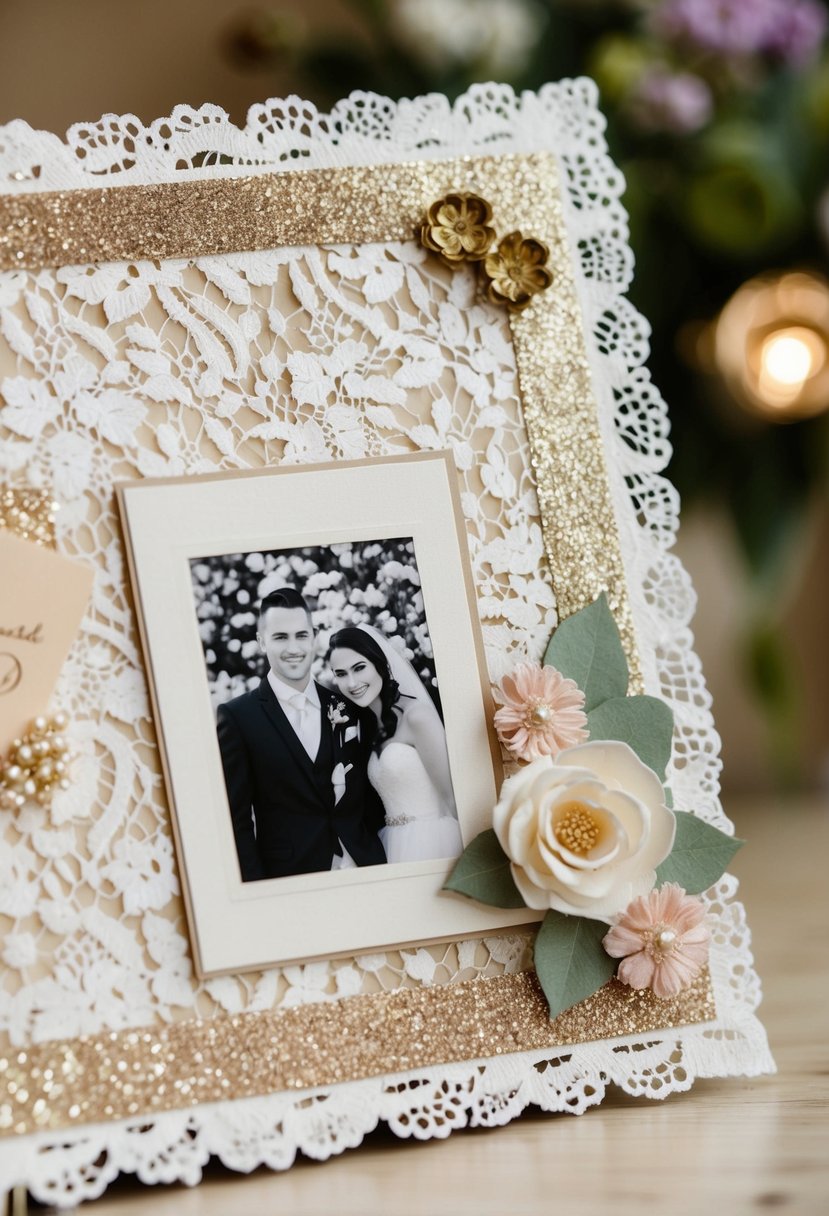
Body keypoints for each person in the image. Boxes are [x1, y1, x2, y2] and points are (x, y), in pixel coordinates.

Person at [216, 588, 386, 881]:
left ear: (314, 637)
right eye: (280, 637)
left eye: (301, 635)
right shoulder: (237, 718)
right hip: (291, 880)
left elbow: (369, 801)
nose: (293, 647)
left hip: (367, 868)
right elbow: (236, 822)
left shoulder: (349, 706)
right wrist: (257, 891)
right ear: (261, 641)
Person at [327, 625, 463, 865]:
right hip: (392, 846)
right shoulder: (368, 728)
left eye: (359, 668)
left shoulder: (417, 717)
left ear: (380, 664)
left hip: (434, 843)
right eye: (341, 674)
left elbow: (454, 798)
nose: (351, 682)